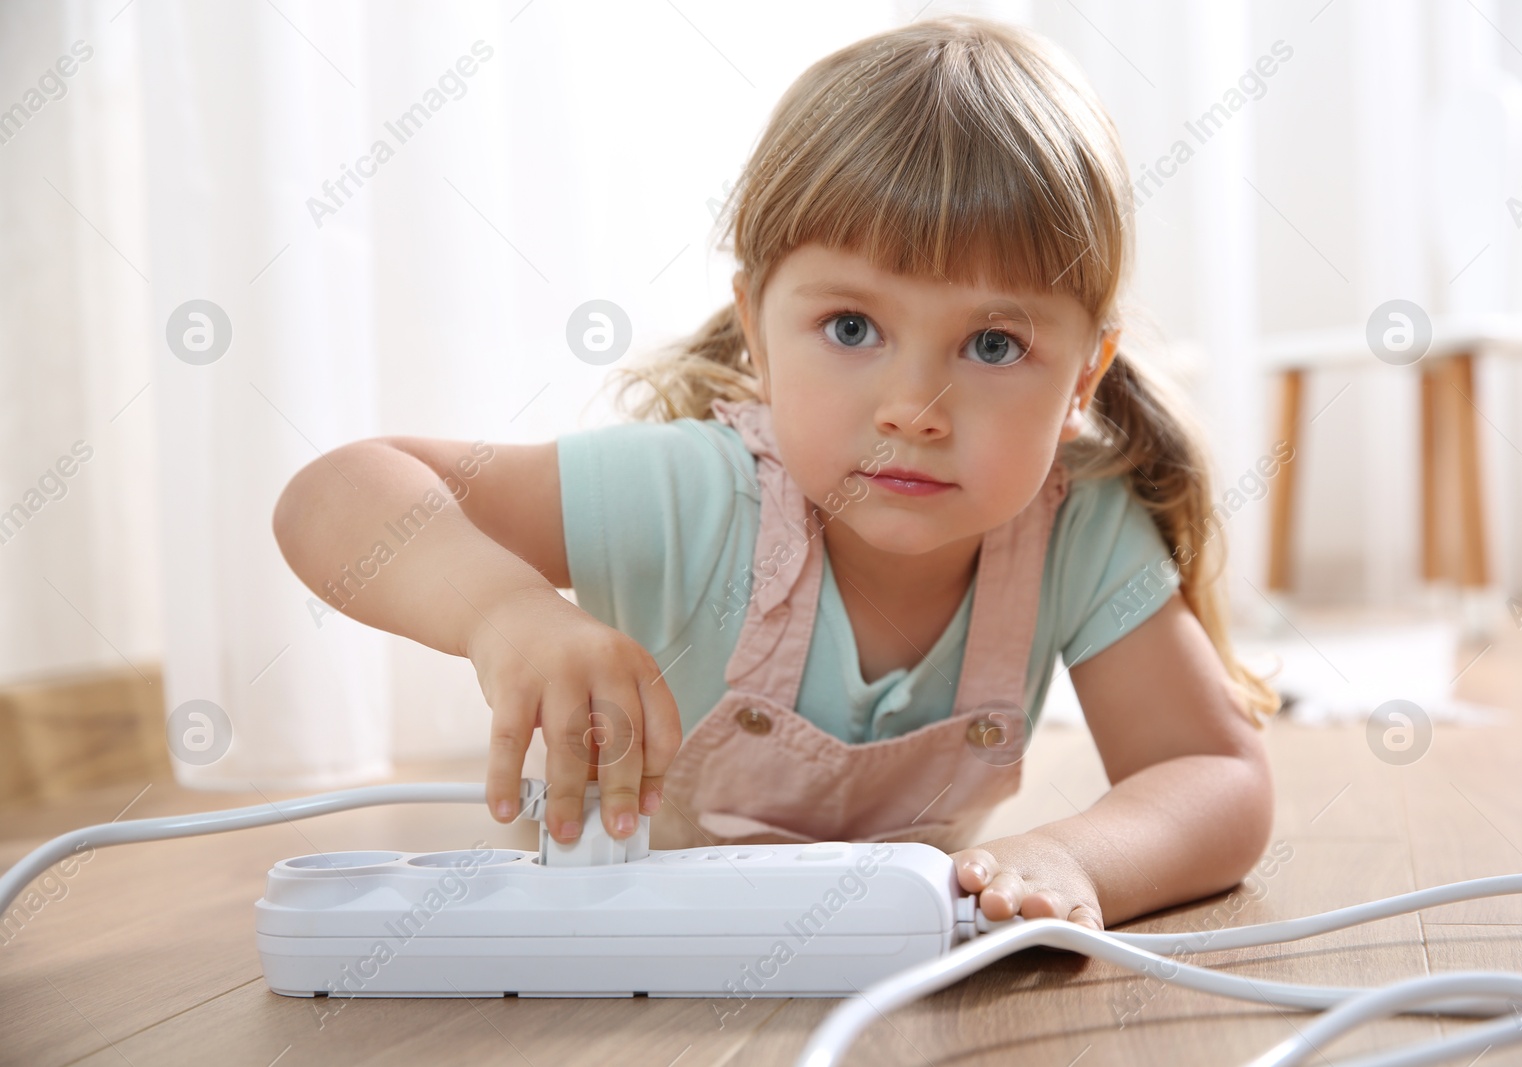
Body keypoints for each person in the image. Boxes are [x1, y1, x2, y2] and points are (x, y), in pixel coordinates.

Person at [273, 14, 1280, 931]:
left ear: (1081, 380)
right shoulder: (689, 494)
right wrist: (502, 610)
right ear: (756, 325)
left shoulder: (1080, 522)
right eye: (852, 327)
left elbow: (1213, 775)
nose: (912, 409)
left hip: (890, 977)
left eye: (993, 345)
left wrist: (1073, 852)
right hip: (634, 960)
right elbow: (338, 492)